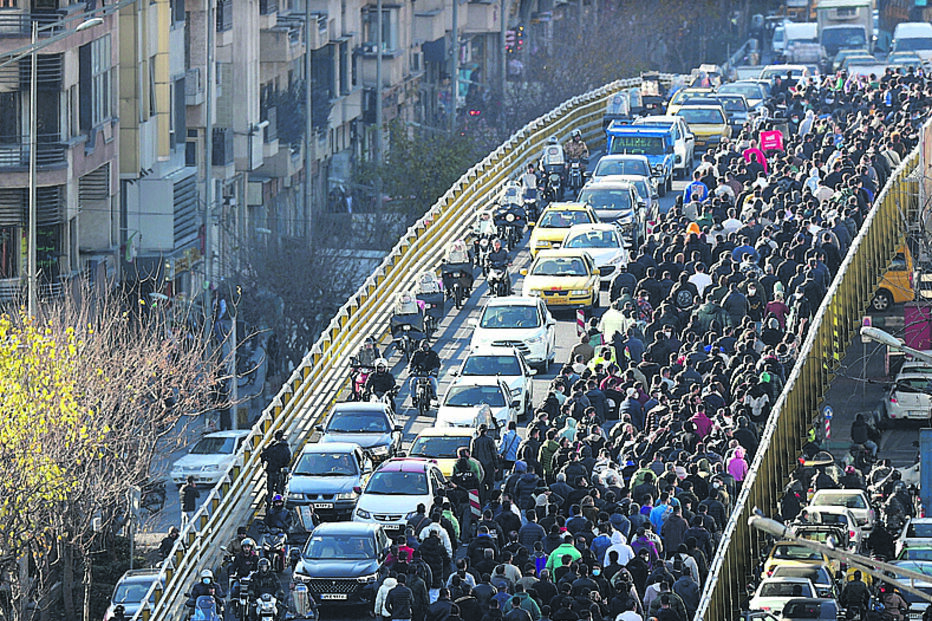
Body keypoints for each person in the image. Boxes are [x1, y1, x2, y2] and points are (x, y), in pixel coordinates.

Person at [261, 430, 291, 501]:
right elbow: (288, 458)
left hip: (271, 470)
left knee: (270, 490)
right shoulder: (285, 446)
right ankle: (280, 503)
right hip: (280, 471)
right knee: (280, 489)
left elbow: (263, 454)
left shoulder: (271, 446)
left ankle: (268, 504)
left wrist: (265, 461)